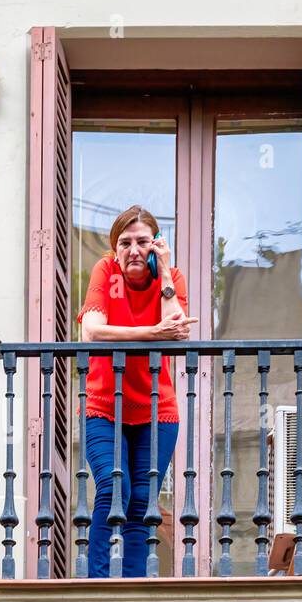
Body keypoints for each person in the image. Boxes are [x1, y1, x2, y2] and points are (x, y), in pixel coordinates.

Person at [76, 205, 197, 578]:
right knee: (116, 489)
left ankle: (133, 582)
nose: (132, 250)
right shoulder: (105, 270)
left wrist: (165, 274)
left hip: (157, 410)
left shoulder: (171, 278)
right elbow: (92, 331)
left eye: (142, 242)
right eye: (124, 242)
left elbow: (176, 330)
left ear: (156, 245)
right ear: (115, 249)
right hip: (103, 404)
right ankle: (96, 581)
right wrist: (151, 334)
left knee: (143, 502)